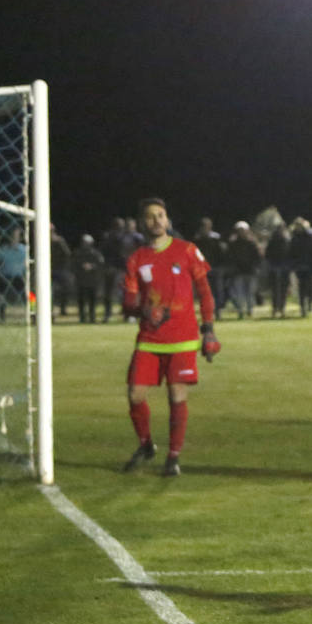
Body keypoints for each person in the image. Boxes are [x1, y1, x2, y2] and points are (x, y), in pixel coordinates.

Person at [121, 198, 220, 477]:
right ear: (142, 223)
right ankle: (146, 445)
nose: (156, 221)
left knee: (177, 394)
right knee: (135, 393)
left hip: (183, 337)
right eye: (150, 217)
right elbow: (127, 302)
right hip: (150, 338)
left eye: (161, 215)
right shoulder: (137, 259)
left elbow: (205, 292)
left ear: (168, 220)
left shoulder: (187, 250)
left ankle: (173, 457)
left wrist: (209, 328)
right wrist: (143, 309)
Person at [224, 221, 261, 319]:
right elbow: (229, 257)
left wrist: (256, 267)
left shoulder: (252, 242)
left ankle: (250, 310)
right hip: (238, 272)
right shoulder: (233, 243)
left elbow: (258, 257)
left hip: (250, 271)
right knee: (238, 293)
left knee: (250, 293)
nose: (241, 232)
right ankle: (240, 310)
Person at [288, 218, 312, 317]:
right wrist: (293, 264)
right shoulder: (294, 238)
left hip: (310, 266)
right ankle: (302, 306)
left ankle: (310, 304)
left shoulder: (310, 237)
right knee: (302, 287)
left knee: (310, 287)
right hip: (299, 266)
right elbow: (292, 252)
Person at [72, 234, 105, 323]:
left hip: (92, 281)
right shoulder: (78, 253)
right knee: (81, 301)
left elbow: (100, 265)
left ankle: (92, 317)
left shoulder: (95, 254)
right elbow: (73, 265)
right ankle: (82, 317)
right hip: (81, 280)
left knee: (92, 301)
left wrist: (92, 266)